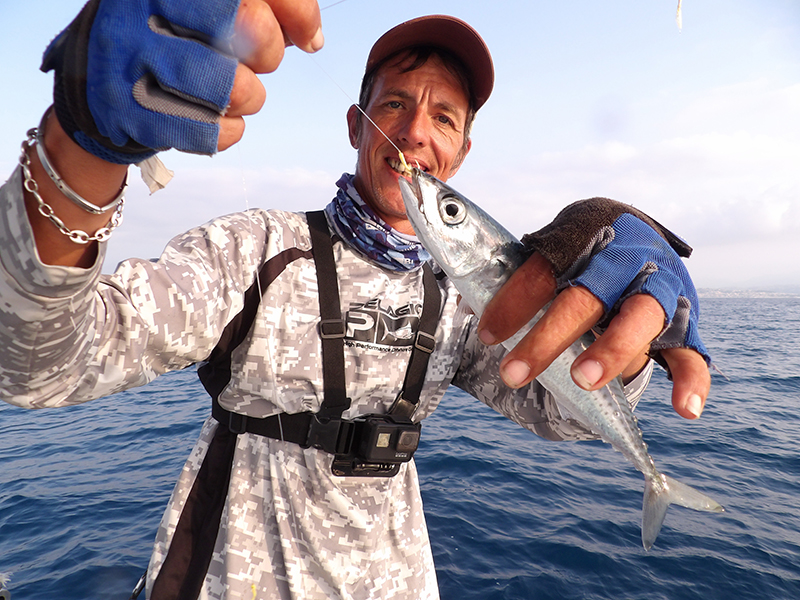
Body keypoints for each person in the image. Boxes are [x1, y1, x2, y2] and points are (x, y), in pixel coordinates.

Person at [0, 1, 711, 598]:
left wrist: (624, 336)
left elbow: (563, 416)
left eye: (445, 118)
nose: (413, 133)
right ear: (356, 126)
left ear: (459, 155)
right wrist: (79, 155)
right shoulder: (256, 252)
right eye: (395, 105)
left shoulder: (469, 303)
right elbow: (41, 366)